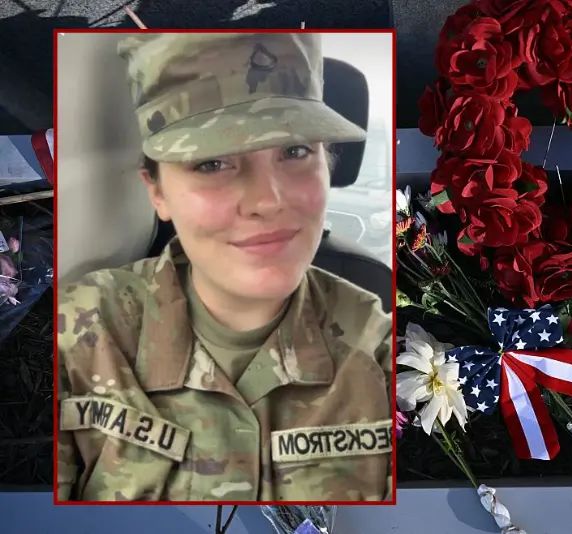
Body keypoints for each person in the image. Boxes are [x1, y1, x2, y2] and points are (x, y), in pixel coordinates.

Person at [56, 32, 393, 502]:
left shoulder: (379, 340)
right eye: (212, 163)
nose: (266, 200)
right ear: (156, 191)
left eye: (295, 151)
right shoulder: (80, 330)